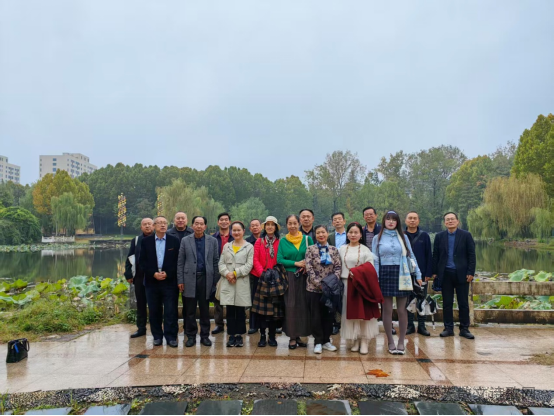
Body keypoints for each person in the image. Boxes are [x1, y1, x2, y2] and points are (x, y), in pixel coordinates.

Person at [373, 211, 422, 355]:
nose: (390, 222)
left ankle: (401, 341)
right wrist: (376, 278)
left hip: (402, 273)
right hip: (385, 273)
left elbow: (411, 256)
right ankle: (390, 341)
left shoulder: (403, 237)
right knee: (387, 309)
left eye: (393, 220)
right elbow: (375, 259)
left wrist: (418, 274)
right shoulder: (377, 237)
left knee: (402, 310)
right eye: (388, 219)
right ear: (384, 221)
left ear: (397, 222)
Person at [433, 212, 476, 340]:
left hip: (462, 274)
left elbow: (472, 255)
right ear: (444, 223)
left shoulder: (466, 235)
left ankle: (464, 328)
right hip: (445, 274)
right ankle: (448, 328)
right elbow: (435, 255)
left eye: (452, 219)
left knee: (463, 303)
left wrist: (471, 272)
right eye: (447, 220)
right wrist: (435, 272)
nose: (450, 221)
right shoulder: (439, 236)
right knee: (447, 303)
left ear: (457, 221)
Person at [177, 216, 219, 347]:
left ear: (205, 226)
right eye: (196, 223)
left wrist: (215, 281)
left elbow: (215, 261)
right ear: (192, 226)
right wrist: (180, 280)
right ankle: (190, 336)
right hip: (189, 279)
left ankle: (205, 336)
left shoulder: (212, 241)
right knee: (190, 310)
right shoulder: (185, 240)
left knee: (205, 310)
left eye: (201, 224)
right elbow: (180, 262)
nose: (199, 226)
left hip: (206, 279)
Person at [139, 216, 181, 348]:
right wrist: (153, 273)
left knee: (170, 310)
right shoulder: (146, 241)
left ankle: (171, 337)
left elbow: (178, 261)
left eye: (165, 223)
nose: (162, 225)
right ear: (154, 226)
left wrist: (168, 273)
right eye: (159, 223)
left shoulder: (174, 240)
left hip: (169, 281)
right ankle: (157, 336)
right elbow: (142, 262)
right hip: (152, 282)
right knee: (154, 310)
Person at [339, 223, 377, 355]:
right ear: (347, 234)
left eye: (356, 232)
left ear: (361, 235)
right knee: (350, 313)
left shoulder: (365, 250)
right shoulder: (342, 249)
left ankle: (364, 341)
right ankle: (355, 340)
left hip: (361, 285)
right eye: (351, 232)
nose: (353, 235)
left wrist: (356, 272)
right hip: (346, 284)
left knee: (362, 313)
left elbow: (370, 268)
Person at [277, 214, 314, 349]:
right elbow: (279, 259)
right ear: (286, 225)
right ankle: (292, 337)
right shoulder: (283, 241)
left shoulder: (307, 239)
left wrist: (306, 265)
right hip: (290, 277)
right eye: (290, 223)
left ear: (299, 224)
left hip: (305, 277)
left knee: (303, 306)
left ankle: (300, 335)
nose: (292, 226)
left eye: (294, 223)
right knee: (291, 306)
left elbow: (313, 256)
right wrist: (295, 263)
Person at [305, 225, 341, 354]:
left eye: (323, 232)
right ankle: (318, 341)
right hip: (314, 289)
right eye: (318, 233)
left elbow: (338, 267)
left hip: (330, 289)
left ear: (327, 233)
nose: (321, 235)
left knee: (328, 315)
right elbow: (309, 268)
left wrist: (330, 284)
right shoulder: (310, 249)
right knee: (315, 316)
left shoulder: (334, 250)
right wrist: (318, 284)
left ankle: (326, 341)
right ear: (315, 235)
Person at [218, 221, 255, 347]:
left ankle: (239, 336)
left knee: (240, 311)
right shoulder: (227, 246)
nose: (236, 232)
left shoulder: (249, 247)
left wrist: (235, 273)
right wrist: (227, 274)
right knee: (229, 311)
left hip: (241, 281)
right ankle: (231, 336)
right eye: (234, 230)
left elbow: (249, 265)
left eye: (239, 230)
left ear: (243, 231)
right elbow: (221, 263)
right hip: (228, 281)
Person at [251, 216, 283, 347]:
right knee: (261, 311)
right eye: (267, 224)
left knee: (274, 310)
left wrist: (275, 274)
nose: (270, 227)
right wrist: (262, 274)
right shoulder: (259, 241)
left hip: (275, 279)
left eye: (272, 224)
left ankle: (272, 335)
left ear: (275, 227)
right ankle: (262, 335)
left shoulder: (280, 242)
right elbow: (255, 259)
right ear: (264, 227)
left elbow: (280, 259)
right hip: (261, 279)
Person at [405, 211, 433, 336]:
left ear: (418, 221)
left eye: (415, 218)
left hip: (421, 274)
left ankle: (422, 326)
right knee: (408, 300)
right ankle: (410, 325)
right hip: (405, 273)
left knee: (422, 299)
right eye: (410, 218)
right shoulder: (401, 235)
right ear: (406, 221)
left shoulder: (424, 236)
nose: (412, 220)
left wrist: (428, 272)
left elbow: (429, 255)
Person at [124, 217, 153, 339]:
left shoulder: (158, 239)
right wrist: (128, 274)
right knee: (141, 303)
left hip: (154, 277)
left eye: (149, 224)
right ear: (141, 227)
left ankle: (156, 329)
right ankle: (141, 328)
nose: (147, 226)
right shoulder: (136, 240)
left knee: (155, 304)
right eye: (145, 224)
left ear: (153, 226)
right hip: (140, 276)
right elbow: (129, 257)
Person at [212, 212, 234, 335]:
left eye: (226, 220)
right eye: (221, 220)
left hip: (232, 271)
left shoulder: (234, 236)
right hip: (217, 271)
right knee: (217, 299)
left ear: (229, 222)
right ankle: (219, 324)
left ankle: (231, 324)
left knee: (232, 298)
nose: (224, 222)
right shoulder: (213, 238)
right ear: (218, 222)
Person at [327, 212, 347, 335]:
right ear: (332, 223)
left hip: (347, 268)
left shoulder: (350, 235)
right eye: (335, 219)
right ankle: (336, 322)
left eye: (340, 219)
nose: (337, 221)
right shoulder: (329, 237)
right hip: (333, 270)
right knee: (334, 296)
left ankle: (347, 322)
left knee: (346, 296)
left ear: (344, 221)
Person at [246, 219, 262, 334]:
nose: (255, 227)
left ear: (261, 227)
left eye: (257, 225)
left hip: (265, 272)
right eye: (253, 226)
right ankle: (253, 325)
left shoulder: (266, 239)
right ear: (250, 228)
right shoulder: (247, 242)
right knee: (253, 299)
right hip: (252, 274)